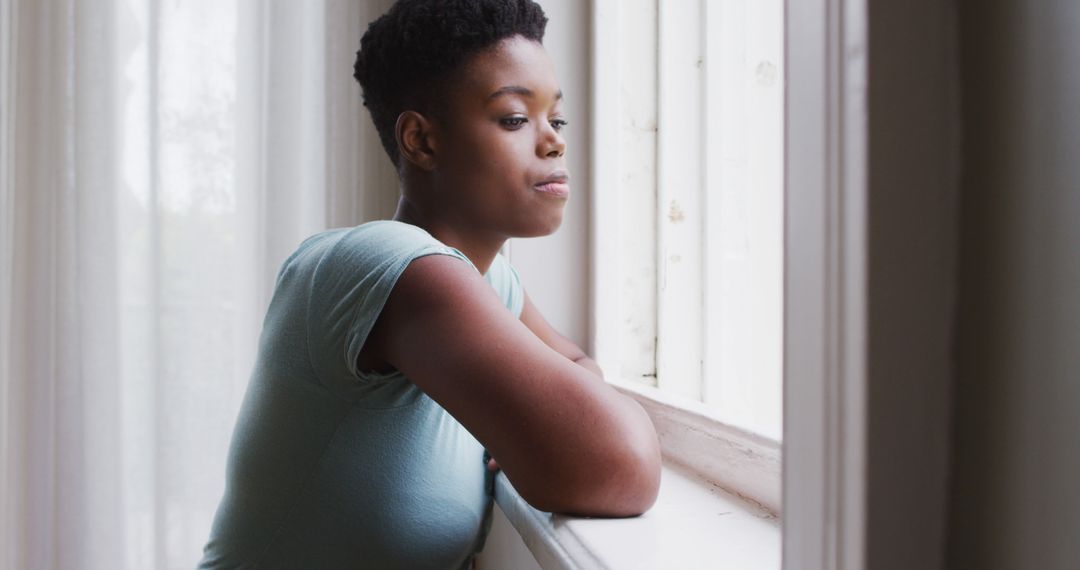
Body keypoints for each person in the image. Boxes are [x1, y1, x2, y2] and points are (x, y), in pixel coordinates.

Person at [198, 0, 661, 567]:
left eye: (555, 120)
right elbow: (622, 464)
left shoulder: (492, 283)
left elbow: (576, 368)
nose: (554, 142)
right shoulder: (391, 265)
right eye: (515, 118)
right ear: (420, 140)